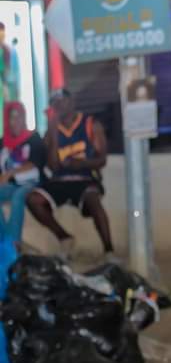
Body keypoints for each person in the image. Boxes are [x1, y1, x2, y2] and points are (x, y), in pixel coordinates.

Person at [26, 89, 117, 263]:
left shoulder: (90, 124)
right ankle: (64, 238)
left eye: (63, 101)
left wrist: (81, 163)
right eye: (55, 103)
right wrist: (52, 134)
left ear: (72, 101)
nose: (60, 105)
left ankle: (109, 251)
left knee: (93, 200)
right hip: (60, 180)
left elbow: (102, 160)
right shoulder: (52, 129)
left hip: (85, 178)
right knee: (33, 199)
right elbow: (52, 166)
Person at [0, 101, 44, 246]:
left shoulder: (33, 137)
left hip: (31, 182)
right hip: (11, 183)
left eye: (20, 116)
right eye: (12, 117)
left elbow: (35, 163)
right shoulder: (3, 142)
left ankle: (13, 243)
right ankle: (5, 240)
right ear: (7, 120)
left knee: (18, 197)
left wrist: (10, 173)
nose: (16, 120)